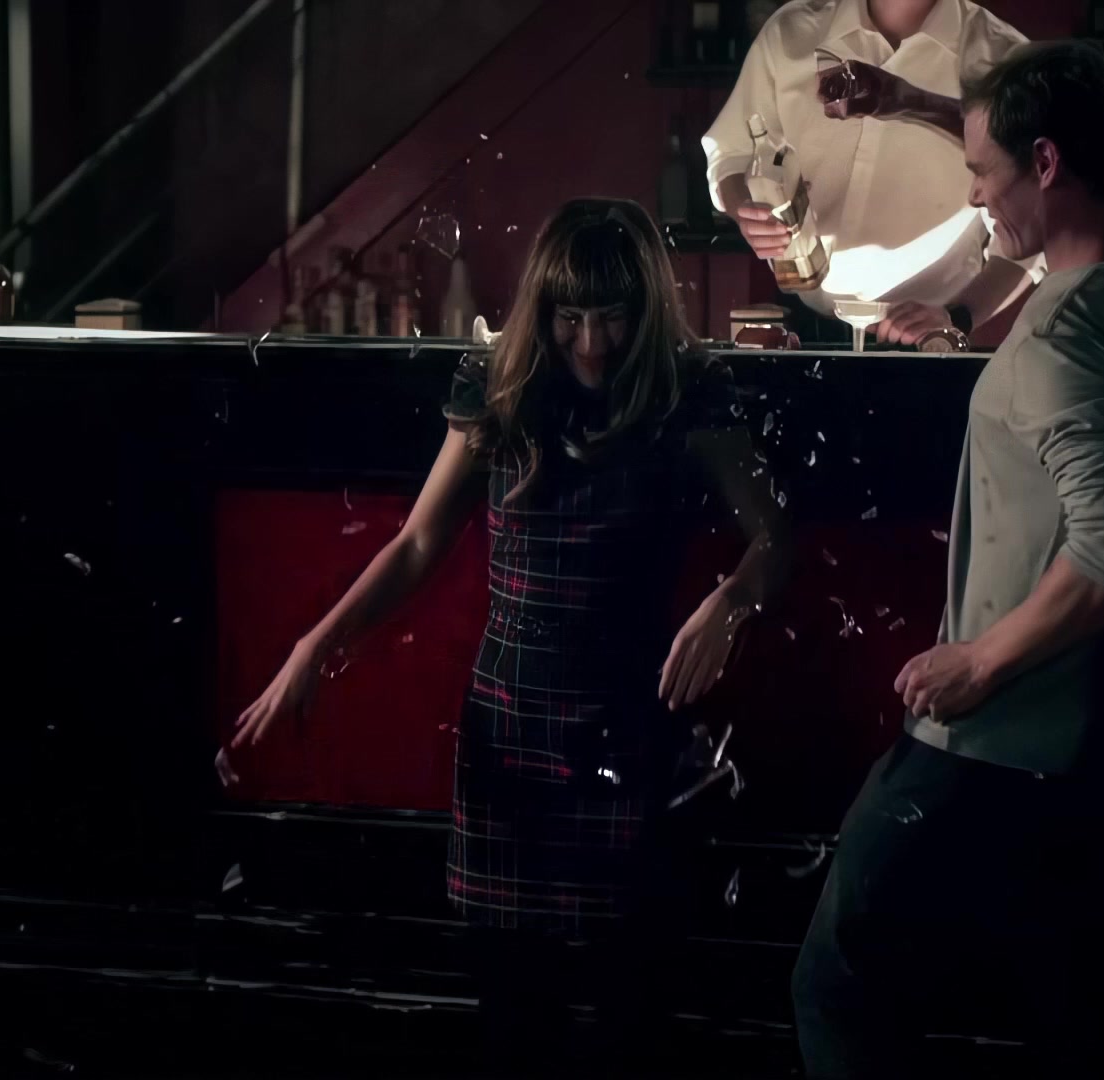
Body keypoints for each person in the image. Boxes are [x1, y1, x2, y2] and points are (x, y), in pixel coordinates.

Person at [229, 197, 788, 1068]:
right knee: (511, 1014)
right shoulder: (498, 385)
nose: (591, 344)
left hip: (627, 726)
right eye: (571, 318)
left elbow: (774, 537)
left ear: (646, 310)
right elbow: (418, 543)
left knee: (628, 1014)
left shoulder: (689, 390)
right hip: (511, 721)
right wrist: (314, 646)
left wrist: (734, 600)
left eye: (612, 318)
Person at [790, 41, 1104, 1078]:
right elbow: (1059, 147)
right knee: (1072, 1020)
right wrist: (915, 102)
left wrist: (977, 663)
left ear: (1044, 164)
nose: (973, 195)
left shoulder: (1070, 335)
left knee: (837, 982)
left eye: (982, 173)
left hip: (998, 732)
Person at [704, 0, 1034, 345]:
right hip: (803, 328)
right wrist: (744, 209)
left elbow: (1034, 225)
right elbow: (732, 152)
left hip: (929, 339)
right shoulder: (792, 31)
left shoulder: (1003, 58)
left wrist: (959, 317)